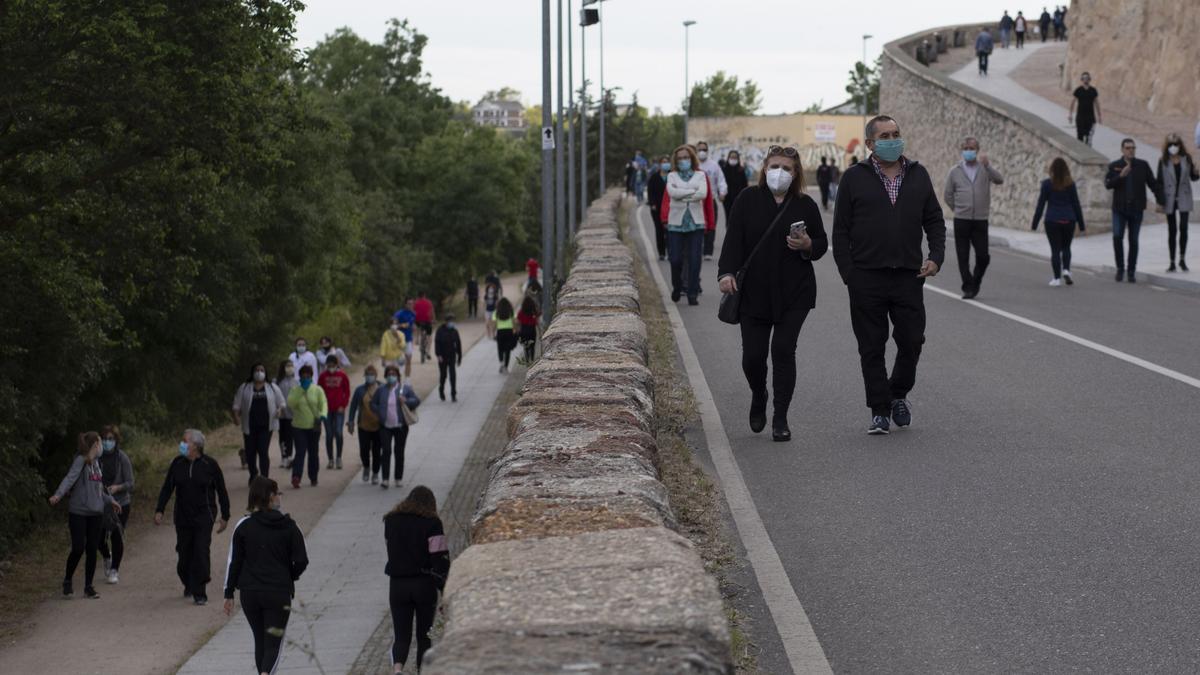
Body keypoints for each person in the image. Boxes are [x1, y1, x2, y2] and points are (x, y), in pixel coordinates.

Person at [832, 115, 946, 436]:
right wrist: (848, 274)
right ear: (870, 143)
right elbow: (840, 231)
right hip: (866, 277)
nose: (892, 139)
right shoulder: (854, 178)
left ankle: (898, 393)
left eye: (896, 133)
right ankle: (880, 410)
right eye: (885, 135)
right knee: (871, 346)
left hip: (909, 276)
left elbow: (935, 221)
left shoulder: (918, 175)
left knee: (912, 340)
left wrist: (935, 257)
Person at [717, 145, 827, 441]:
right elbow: (733, 240)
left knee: (782, 351)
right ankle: (758, 393)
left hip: (795, 292)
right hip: (753, 291)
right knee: (753, 357)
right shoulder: (747, 199)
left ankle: (780, 418)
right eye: (775, 166)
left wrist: (807, 246)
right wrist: (726, 273)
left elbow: (821, 244)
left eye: (787, 168)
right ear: (765, 168)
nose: (781, 172)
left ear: (796, 173)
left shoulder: (805, 204)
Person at [223, 477, 308, 675]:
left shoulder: (244, 526)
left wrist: (228, 593)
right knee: (273, 644)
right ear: (270, 497)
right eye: (278, 493)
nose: (280, 497)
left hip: (250, 593)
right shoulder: (289, 526)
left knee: (260, 640)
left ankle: (262, 671)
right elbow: (302, 559)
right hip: (277, 591)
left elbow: (234, 561)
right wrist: (290, 575)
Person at [155, 429, 231, 605]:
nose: (181, 444)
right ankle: (188, 581)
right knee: (184, 555)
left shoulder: (209, 465)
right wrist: (159, 510)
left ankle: (200, 590)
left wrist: (225, 515)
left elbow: (221, 490)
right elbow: (167, 488)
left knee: (201, 552)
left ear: (196, 446)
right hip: (182, 516)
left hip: (204, 515)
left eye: (185, 441)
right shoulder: (177, 463)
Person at [384, 486, 450, 674]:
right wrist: (444, 587)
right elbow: (439, 558)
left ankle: (397, 669)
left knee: (401, 636)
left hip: (397, 585)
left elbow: (391, 551)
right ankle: (423, 670)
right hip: (423, 584)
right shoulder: (432, 523)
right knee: (424, 636)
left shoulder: (390, 521)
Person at [50, 431, 121, 599]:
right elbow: (69, 479)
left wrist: (110, 500)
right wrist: (58, 495)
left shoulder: (97, 464)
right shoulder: (81, 460)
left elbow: (99, 488)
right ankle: (67, 581)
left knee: (91, 549)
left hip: (96, 513)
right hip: (79, 512)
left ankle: (88, 586)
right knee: (78, 548)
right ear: (95, 445)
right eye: (100, 443)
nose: (103, 446)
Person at [943, 136, 1004, 299]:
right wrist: (957, 208)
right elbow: (948, 194)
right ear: (962, 150)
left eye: (972, 148)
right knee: (963, 256)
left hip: (980, 219)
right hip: (961, 220)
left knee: (983, 256)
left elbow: (999, 180)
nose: (969, 151)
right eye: (966, 148)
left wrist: (988, 165)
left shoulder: (984, 168)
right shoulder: (955, 171)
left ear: (977, 151)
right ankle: (967, 287)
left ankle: (975, 281)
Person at [1105, 138, 1161, 283]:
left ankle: (1131, 271)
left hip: (1136, 209)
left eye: (1133, 148)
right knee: (1117, 237)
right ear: (1122, 150)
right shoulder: (1115, 166)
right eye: (1128, 148)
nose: (1131, 150)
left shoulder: (1142, 165)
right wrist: (1120, 176)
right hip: (1119, 208)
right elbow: (1108, 184)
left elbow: (1153, 184)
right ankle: (1120, 269)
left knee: (1133, 240)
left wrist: (1161, 200)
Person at [1031, 157, 1087, 285]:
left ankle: (1056, 278)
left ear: (1052, 170)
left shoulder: (1046, 184)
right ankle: (1066, 269)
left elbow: (1041, 205)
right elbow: (1076, 204)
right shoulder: (1070, 184)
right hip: (1069, 219)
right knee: (1066, 247)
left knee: (1055, 250)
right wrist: (1082, 225)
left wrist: (1034, 223)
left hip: (1052, 220)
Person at [665, 144, 708, 305]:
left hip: (696, 223)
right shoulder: (672, 176)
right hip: (676, 223)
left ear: (692, 158)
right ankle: (677, 286)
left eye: (686, 157)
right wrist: (692, 192)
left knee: (695, 259)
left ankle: (692, 292)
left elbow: (702, 194)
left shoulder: (700, 175)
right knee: (675, 259)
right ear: (676, 160)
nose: (684, 160)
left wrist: (681, 194)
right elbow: (672, 194)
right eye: (680, 158)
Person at [232, 363, 286, 481]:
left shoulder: (272, 387)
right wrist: (236, 416)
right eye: (257, 370)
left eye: (262, 370)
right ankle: (253, 475)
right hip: (249, 425)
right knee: (250, 452)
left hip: (266, 426)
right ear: (252, 372)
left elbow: (281, 402)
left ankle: (264, 478)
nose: (259, 372)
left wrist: (280, 410)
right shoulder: (245, 387)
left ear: (265, 372)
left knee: (262, 451)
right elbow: (237, 403)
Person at [370, 365, 421, 489]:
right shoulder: (381, 390)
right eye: (389, 374)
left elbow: (417, 401)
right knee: (386, 451)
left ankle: (398, 478)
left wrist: (406, 401)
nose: (391, 376)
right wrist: (380, 413)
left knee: (399, 452)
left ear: (398, 376)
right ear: (386, 376)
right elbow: (372, 404)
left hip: (400, 426)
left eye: (393, 374)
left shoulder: (405, 389)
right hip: (385, 426)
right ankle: (385, 479)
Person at [96, 425, 134, 585]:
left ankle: (114, 569)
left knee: (117, 535)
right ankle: (106, 556)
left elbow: (131, 483)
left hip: (121, 503)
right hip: (100, 503)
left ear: (116, 440)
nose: (107, 442)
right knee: (98, 537)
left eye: (110, 439)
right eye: (104, 439)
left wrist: (118, 487)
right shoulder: (96, 458)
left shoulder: (122, 458)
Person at [1156, 133, 1198, 272]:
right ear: (1167, 146)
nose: (1174, 147)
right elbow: (1159, 182)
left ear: (1180, 145)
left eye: (1176, 144)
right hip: (1169, 197)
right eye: (1171, 145)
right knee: (1172, 230)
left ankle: (1182, 259)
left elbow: (1193, 177)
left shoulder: (1187, 159)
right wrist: (1160, 200)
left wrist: (1197, 173)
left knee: (1184, 228)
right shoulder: (1163, 161)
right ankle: (1172, 261)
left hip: (1184, 195)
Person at [286, 365, 327, 488]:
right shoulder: (295, 390)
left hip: (314, 426)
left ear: (311, 376)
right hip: (298, 427)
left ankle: (313, 477)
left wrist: (324, 414)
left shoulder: (317, 390)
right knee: (300, 452)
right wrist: (301, 391)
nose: (305, 378)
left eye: (308, 376)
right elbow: (290, 404)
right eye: (303, 376)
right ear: (300, 377)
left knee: (313, 453)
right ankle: (296, 477)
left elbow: (323, 403)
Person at [348, 365, 383, 483]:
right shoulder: (360, 390)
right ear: (365, 376)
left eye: (372, 374)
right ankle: (366, 467)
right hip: (363, 425)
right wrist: (351, 421)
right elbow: (353, 406)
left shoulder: (382, 388)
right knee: (364, 449)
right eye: (368, 374)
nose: (370, 376)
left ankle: (375, 473)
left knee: (377, 450)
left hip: (379, 426)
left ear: (376, 375)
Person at [696, 141, 728, 261]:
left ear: (707, 151)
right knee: (697, 225)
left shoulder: (714, 165)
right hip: (695, 200)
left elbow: (721, 180)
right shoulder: (694, 165)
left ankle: (708, 251)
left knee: (711, 225)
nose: (702, 152)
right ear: (696, 151)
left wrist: (722, 192)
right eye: (700, 150)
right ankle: (697, 248)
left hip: (710, 199)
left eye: (704, 149)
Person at [318, 354, 350, 470]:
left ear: (337, 365)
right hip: (326, 410)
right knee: (329, 435)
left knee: (338, 432)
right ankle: (330, 459)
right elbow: (319, 392)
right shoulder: (322, 376)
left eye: (333, 365)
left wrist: (344, 405)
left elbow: (347, 392)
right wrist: (321, 407)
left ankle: (339, 458)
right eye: (329, 365)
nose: (331, 368)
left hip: (339, 409)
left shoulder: (342, 376)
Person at [274, 360, 297, 470]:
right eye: (288, 366)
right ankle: (283, 456)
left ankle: (289, 456)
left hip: (292, 414)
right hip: (280, 414)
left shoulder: (296, 381)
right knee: (282, 436)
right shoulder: (277, 382)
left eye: (291, 366)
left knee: (290, 436)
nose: (290, 368)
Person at [434, 314, 463, 401]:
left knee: (453, 375)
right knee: (443, 375)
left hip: (452, 356)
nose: (452, 323)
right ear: (446, 322)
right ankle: (441, 389)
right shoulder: (440, 331)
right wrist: (438, 355)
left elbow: (458, 344)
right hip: (442, 357)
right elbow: (437, 343)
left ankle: (453, 394)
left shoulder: (455, 331)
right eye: (451, 321)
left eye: (453, 321)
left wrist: (459, 357)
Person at [647, 156, 670, 260]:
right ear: (660, 164)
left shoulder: (672, 176)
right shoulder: (654, 177)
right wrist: (652, 204)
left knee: (670, 231)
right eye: (664, 162)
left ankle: (671, 252)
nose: (666, 164)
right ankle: (661, 252)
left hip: (670, 208)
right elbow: (650, 192)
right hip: (657, 208)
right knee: (659, 230)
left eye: (667, 162)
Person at [1069, 72, 1101, 146]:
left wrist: (1099, 116)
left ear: (1089, 79)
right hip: (1080, 117)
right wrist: (1070, 114)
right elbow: (1072, 102)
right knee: (1080, 137)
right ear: (1082, 79)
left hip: (1090, 117)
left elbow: (1097, 103)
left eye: (1087, 78)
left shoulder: (1093, 90)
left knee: (1088, 138)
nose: (1085, 80)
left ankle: (1087, 151)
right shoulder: (1078, 90)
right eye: (1084, 78)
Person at [721, 150, 752, 219]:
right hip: (727, 199)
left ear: (738, 159)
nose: (733, 159)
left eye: (735, 158)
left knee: (738, 217)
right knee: (728, 217)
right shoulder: (724, 170)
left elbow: (745, 185)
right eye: (731, 157)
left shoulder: (741, 170)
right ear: (728, 158)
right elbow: (721, 183)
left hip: (739, 199)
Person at [393, 299, 417, 378]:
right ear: (405, 304)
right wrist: (401, 326)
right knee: (399, 362)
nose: (410, 305)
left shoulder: (413, 314)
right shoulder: (398, 314)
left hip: (408, 340)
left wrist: (413, 328)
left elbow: (412, 324)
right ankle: (397, 379)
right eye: (409, 304)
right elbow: (393, 327)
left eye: (412, 304)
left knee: (409, 360)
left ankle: (407, 381)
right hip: (399, 341)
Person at [492, 297, 517, 373]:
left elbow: (494, 324)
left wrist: (493, 333)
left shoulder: (496, 312)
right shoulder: (511, 311)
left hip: (500, 331)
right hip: (509, 331)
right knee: (508, 350)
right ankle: (506, 367)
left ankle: (501, 362)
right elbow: (514, 322)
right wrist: (514, 330)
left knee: (500, 348)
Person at [516, 297, 541, 364]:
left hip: (523, 330)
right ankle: (532, 360)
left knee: (526, 346)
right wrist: (540, 332)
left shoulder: (521, 312)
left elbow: (518, 323)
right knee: (532, 346)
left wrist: (517, 331)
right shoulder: (533, 312)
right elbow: (537, 323)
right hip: (532, 330)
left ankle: (527, 360)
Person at [412, 292, 435, 364]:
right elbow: (432, 311)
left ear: (418, 296)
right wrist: (433, 319)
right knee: (429, 335)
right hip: (427, 321)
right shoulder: (429, 302)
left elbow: (413, 312)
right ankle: (428, 351)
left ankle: (417, 339)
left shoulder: (415, 303)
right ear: (424, 296)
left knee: (417, 326)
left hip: (418, 321)